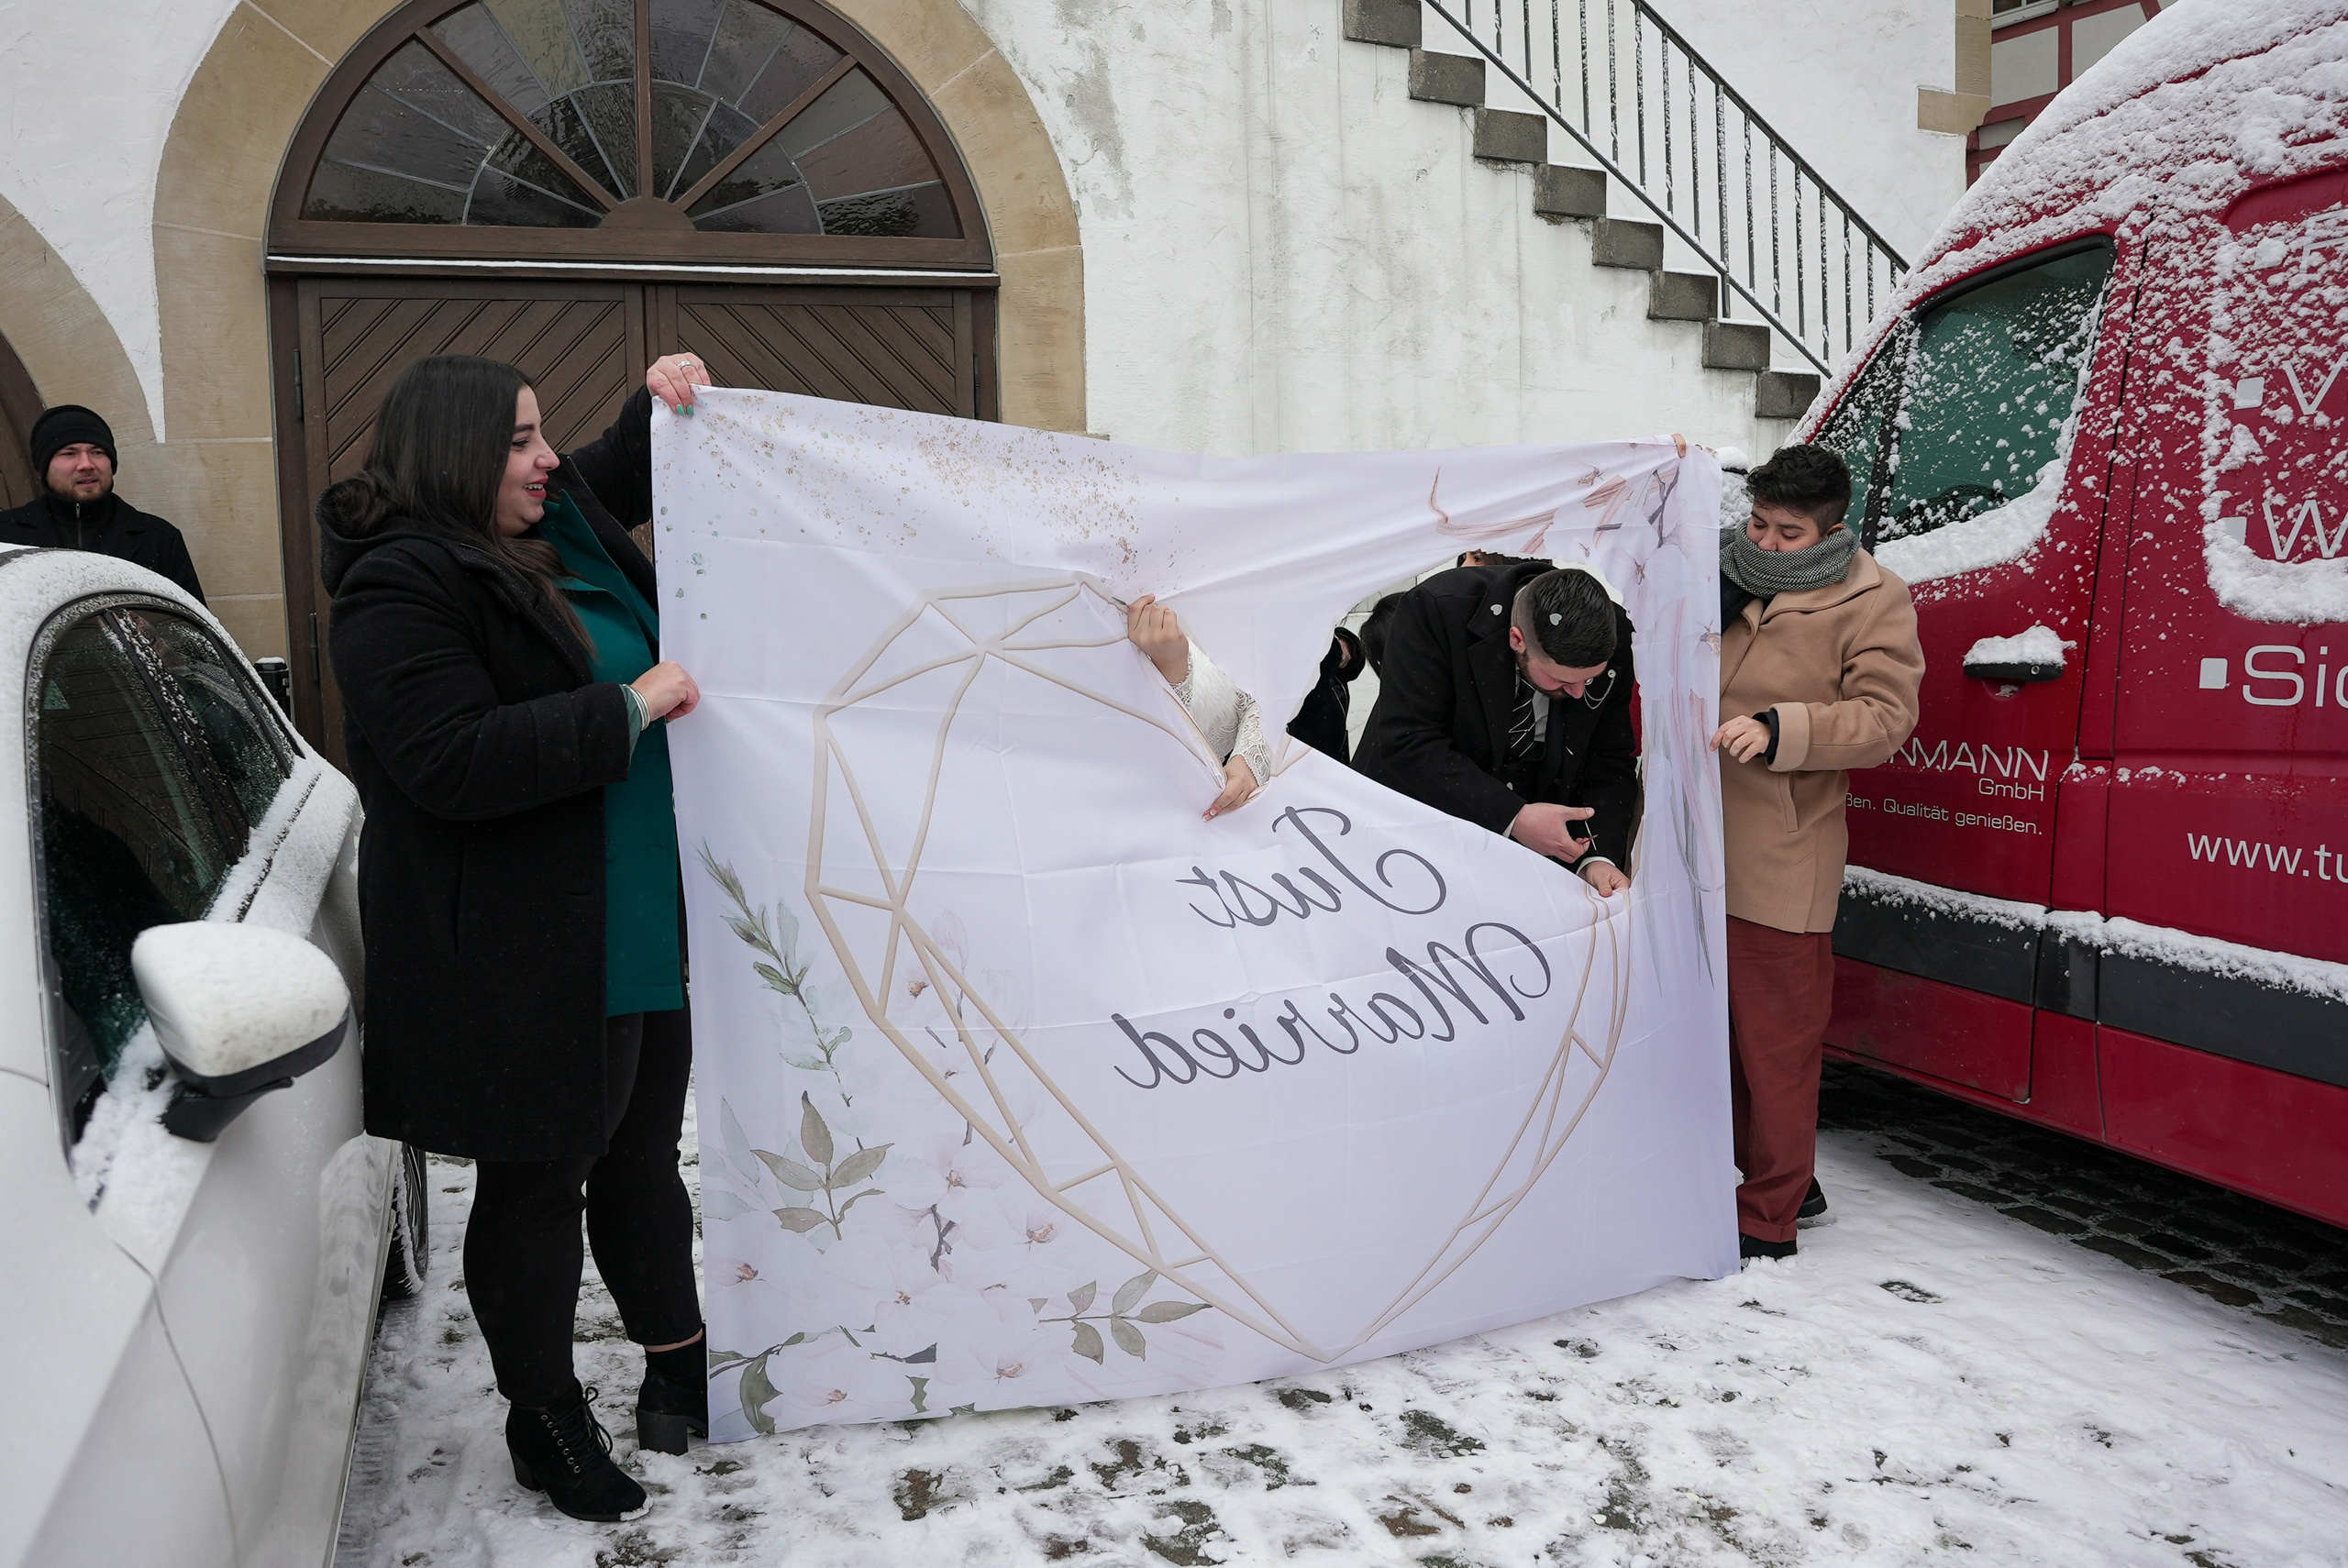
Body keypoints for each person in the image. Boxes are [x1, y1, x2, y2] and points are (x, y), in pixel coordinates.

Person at [319, 351, 716, 1523]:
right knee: (541, 1182)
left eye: (543, 434)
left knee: (645, 1159)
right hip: (525, 941)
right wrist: (628, 706)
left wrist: (661, 394)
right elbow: (450, 760)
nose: (547, 460)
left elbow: (607, 469)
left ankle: (678, 1364)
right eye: (520, 442)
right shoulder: (399, 587)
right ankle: (542, 1414)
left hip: (634, 904)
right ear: (456, 456)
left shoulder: (543, 527)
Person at [1711, 443, 1922, 1262]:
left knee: (1776, 1047)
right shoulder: (1724, 574)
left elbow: (1884, 719)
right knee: (1707, 1038)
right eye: (1757, 524)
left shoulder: (1876, 599)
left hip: (1780, 851)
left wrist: (1780, 729)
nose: (1764, 544)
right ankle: (1766, 1171)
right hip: (1689, 844)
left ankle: (1769, 1217)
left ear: (1833, 531)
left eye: (1787, 534)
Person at [1354, 562, 1637, 896]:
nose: (1579, 692)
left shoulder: (1612, 631)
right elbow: (1408, 741)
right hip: (1422, 821)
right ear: (1517, 640)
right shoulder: (1437, 608)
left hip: (1538, 835)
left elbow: (1609, 757)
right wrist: (1512, 816)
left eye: (1590, 679)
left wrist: (1597, 856)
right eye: (1561, 680)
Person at [0, 404, 205, 601]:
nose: (86, 464)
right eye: (69, 453)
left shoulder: (158, 539)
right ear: (42, 469)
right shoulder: (6, 535)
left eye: (97, 452)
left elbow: (193, 628)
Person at [1126, 593, 1273, 818]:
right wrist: (1171, 670)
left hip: (1210, 809)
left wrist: (1247, 762)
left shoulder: (1214, 603)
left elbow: (1257, 697)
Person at [1286, 626, 1366, 764]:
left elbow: (1354, 665)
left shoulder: (1333, 671)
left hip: (1331, 757)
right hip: (1299, 756)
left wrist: (1344, 645)